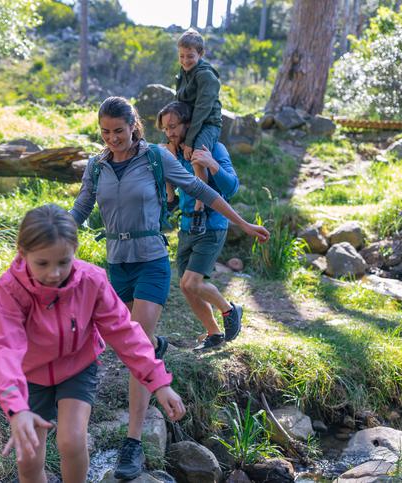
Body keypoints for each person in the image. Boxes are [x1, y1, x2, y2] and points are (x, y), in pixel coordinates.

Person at [70, 96, 269, 480]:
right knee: (134, 343)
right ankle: (156, 348)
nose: (113, 138)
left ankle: (132, 443)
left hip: (151, 261)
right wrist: (48, 242)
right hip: (117, 264)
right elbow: (79, 211)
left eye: (119, 131)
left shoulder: (157, 158)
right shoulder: (96, 168)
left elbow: (202, 191)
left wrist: (243, 224)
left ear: (134, 126)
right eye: (105, 132)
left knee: (136, 348)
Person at [0, 204, 186, 483]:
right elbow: (3, 348)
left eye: (63, 262)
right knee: (29, 457)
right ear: (23, 253)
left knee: (72, 440)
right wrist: (16, 409)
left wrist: (159, 383)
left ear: (75, 252)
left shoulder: (92, 281)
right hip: (29, 375)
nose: (54, 273)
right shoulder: (10, 288)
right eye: (42, 263)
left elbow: (124, 331)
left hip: (77, 366)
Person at [158, 101, 242, 352]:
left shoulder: (214, 148)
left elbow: (231, 189)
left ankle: (230, 310)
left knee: (192, 282)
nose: (170, 132)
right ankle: (213, 332)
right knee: (187, 286)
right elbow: (170, 199)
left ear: (187, 124)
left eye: (173, 126)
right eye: (165, 128)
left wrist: (212, 163)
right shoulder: (171, 152)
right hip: (186, 225)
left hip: (213, 224)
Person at [166, 28, 224, 234]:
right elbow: (178, 102)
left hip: (206, 122)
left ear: (201, 54)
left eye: (190, 56)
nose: (185, 60)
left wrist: (189, 140)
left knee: (198, 155)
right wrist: (172, 129)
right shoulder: (182, 74)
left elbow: (202, 109)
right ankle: (171, 198)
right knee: (165, 148)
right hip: (187, 121)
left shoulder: (207, 76)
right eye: (182, 56)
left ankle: (200, 209)